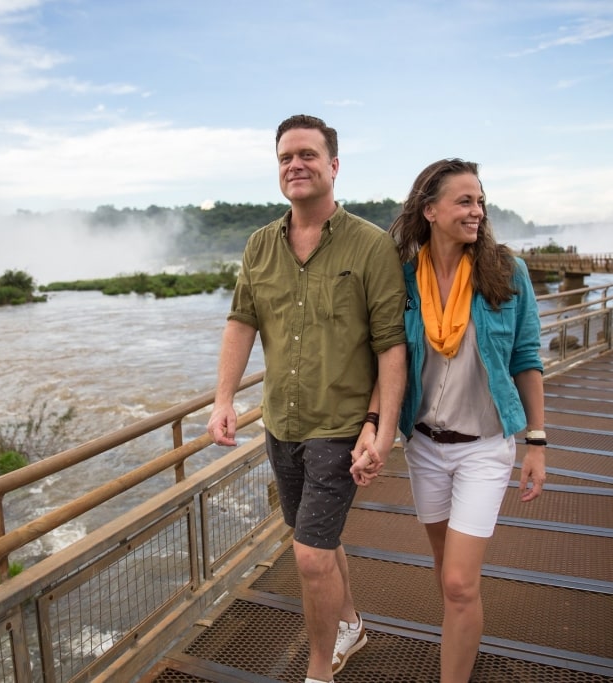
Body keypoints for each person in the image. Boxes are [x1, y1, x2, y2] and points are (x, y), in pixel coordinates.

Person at [207, 114, 407, 683]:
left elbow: (391, 347)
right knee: (315, 538)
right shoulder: (260, 245)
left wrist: (382, 429)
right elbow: (241, 321)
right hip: (281, 423)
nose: (295, 164)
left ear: (333, 166)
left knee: (310, 555)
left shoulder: (371, 247)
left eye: (308, 155)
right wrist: (223, 399)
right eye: (285, 157)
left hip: (340, 425)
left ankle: (320, 670)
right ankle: (351, 624)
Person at [386, 158, 546, 683]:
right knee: (447, 570)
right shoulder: (406, 280)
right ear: (430, 210)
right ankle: (462, 627)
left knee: (457, 581)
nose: (476, 211)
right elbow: (386, 359)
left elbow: (526, 358)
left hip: (484, 445)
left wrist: (537, 443)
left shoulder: (506, 272)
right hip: (425, 446)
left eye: (480, 201)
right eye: (464, 201)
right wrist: (375, 428)